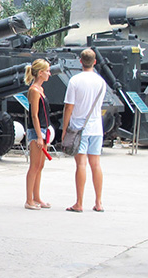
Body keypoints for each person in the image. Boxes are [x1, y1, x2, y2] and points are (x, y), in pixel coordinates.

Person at [60, 48, 106, 213]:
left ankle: (79, 202)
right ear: (94, 62)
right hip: (96, 127)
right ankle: (99, 202)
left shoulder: (75, 81)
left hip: (79, 127)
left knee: (81, 164)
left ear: (80, 61)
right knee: (96, 164)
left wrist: (65, 129)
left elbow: (69, 107)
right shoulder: (101, 81)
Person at [24, 58, 52, 210]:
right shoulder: (34, 90)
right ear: (40, 73)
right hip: (37, 130)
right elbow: (34, 115)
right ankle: (29, 199)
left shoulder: (40, 90)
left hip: (43, 129)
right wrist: (39, 136)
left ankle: (37, 196)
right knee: (34, 166)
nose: (49, 74)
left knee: (40, 165)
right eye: (47, 71)